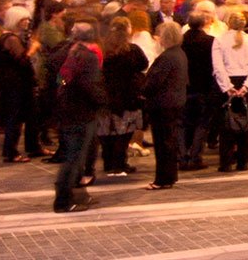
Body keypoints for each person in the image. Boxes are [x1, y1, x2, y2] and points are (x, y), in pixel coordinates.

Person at [54, 22, 107, 212]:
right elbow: (90, 86)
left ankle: (77, 195)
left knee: (73, 155)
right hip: (81, 112)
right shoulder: (88, 57)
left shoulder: (66, 53)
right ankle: (63, 200)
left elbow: (59, 79)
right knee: (75, 157)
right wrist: (103, 101)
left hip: (66, 110)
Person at [212, 10, 248, 173]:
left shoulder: (219, 40)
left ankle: (226, 163)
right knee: (245, 125)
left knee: (226, 126)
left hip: (227, 84)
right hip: (246, 85)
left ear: (227, 23)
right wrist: (246, 87)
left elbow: (218, 67)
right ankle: (243, 162)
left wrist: (227, 87)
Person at [99, 18, 149, 178]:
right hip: (128, 95)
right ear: (128, 30)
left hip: (106, 95)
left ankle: (108, 162)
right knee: (124, 131)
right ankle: (119, 163)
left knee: (107, 130)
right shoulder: (132, 49)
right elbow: (144, 64)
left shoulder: (104, 48)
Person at [143, 21, 188, 190]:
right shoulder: (180, 54)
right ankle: (169, 176)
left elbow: (154, 81)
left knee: (163, 143)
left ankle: (162, 179)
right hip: (175, 102)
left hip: (163, 105)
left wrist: (143, 91)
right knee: (169, 141)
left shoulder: (167, 57)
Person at [0, 8, 39, 163]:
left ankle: (25, 148)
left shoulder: (10, 37)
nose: (26, 22)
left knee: (24, 115)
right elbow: (22, 60)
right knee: (15, 117)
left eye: (27, 19)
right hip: (15, 84)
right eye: (23, 20)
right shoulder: (11, 39)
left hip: (15, 82)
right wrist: (33, 49)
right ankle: (11, 151)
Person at [179, 11, 218, 171]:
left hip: (185, 87)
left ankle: (182, 157)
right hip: (204, 87)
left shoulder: (181, 41)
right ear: (203, 24)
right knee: (202, 124)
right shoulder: (210, 41)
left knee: (183, 124)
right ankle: (195, 156)